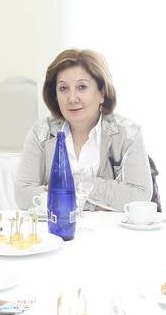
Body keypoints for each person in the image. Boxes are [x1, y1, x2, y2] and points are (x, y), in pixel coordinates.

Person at [13, 48, 152, 211]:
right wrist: (99, 203)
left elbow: (139, 195)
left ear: (102, 92)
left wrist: (72, 184)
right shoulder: (41, 132)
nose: (72, 98)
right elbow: (23, 195)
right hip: (55, 233)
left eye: (82, 87)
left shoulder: (128, 134)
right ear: (55, 95)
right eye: (63, 88)